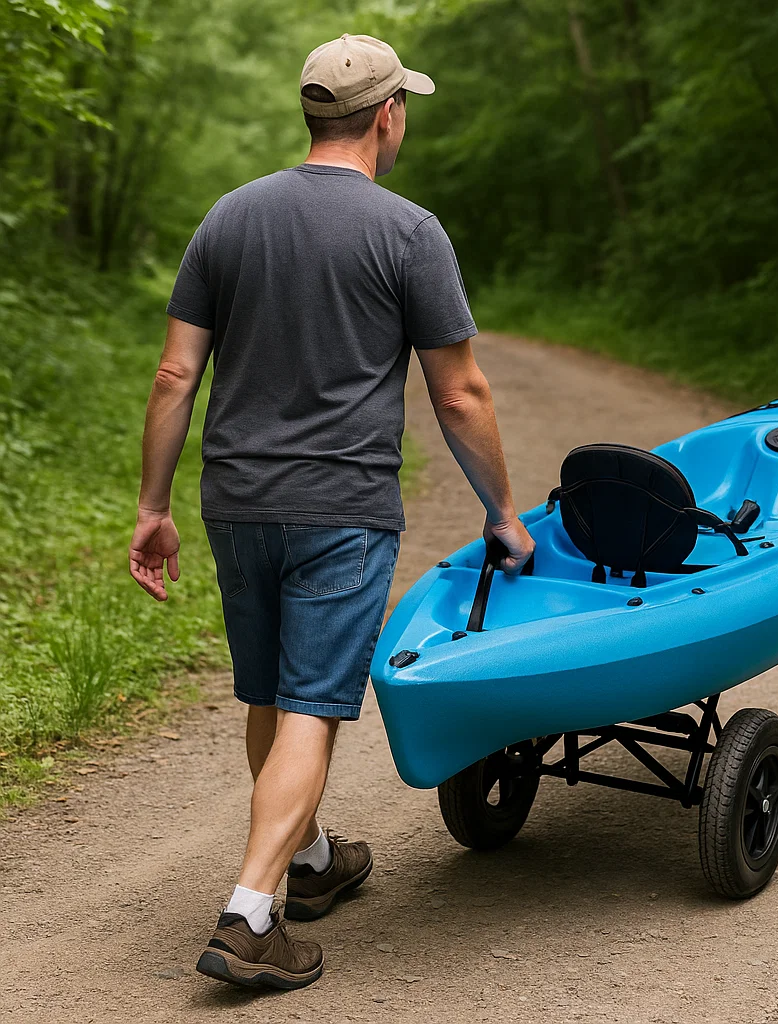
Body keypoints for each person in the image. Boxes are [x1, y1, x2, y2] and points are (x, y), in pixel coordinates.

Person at [127, 32, 534, 991]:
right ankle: (250, 915)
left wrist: (152, 506)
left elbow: (176, 373)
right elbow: (460, 394)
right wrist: (504, 510)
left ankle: (309, 862)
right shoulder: (408, 232)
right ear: (387, 115)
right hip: (340, 509)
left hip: (236, 502)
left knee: (270, 694)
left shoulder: (229, 217)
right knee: (311, 706)